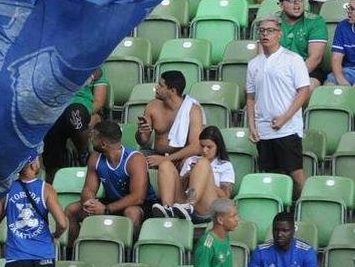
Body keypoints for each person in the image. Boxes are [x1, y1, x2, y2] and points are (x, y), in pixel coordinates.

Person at [246, 16, 311, 198]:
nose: (266, 34)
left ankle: (302, 209)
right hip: (264, 128)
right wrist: (252, 125)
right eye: (262, 31)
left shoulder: (292, 59)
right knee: (270, 175)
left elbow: (303, 91)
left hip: (287, 129)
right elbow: (250, 97)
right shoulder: (253, 64)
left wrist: (285, 117)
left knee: (296, 173)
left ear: (279, 34)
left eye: (271, 30)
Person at [65, 120, 156, 249]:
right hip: (111, 202)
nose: (90, 140)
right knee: (71, 210)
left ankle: (128, 257)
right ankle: (75, 252)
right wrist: (90, 202)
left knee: (132, 213)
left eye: (93, 137)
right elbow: (88, 189)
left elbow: (138, 197)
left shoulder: (135, 159)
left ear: (102, 143)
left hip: (141, 204)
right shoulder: (95, 158)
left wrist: (106, 209)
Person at [153, 125, 235, 222]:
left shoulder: (225, 165)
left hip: (208, 205)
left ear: (218, 147)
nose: (204, 150)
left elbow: (225, 197)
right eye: (202, 146)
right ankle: (167, 208)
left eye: (209, 147)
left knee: (203, 163)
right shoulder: (191, 160)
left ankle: (189, 206)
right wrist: (189, 175)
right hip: (183, 203)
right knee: (165, 164)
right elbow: (180, 188)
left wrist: (205, 178)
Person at [42, 68, 107, 178]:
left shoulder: (95, 66)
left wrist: (88, 115)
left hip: (81, 107)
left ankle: (83, 153)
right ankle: (55, 175)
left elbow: (99, 102)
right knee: (50, 122)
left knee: (74, 114)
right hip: (57, 108)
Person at [136, 70, 204, 170]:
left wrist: (165, 160)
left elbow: (195, 146)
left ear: (172, 91)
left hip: (181, 158)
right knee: (134, 159)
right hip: (157, 154)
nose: (156, 88)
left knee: (191, 165)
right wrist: (141, 132)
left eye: (160, 85)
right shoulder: (152, 106)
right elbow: (142, 141)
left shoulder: (193, 110)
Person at [276, 0, 330, 85]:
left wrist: (293, 78)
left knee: (305, 87)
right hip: (277, 69)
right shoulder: (272, 22)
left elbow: (315, 58)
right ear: (281, 5)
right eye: (292, 0)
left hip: (308, 70)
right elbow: (263, 56)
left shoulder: (315, 21)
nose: (297, 4)